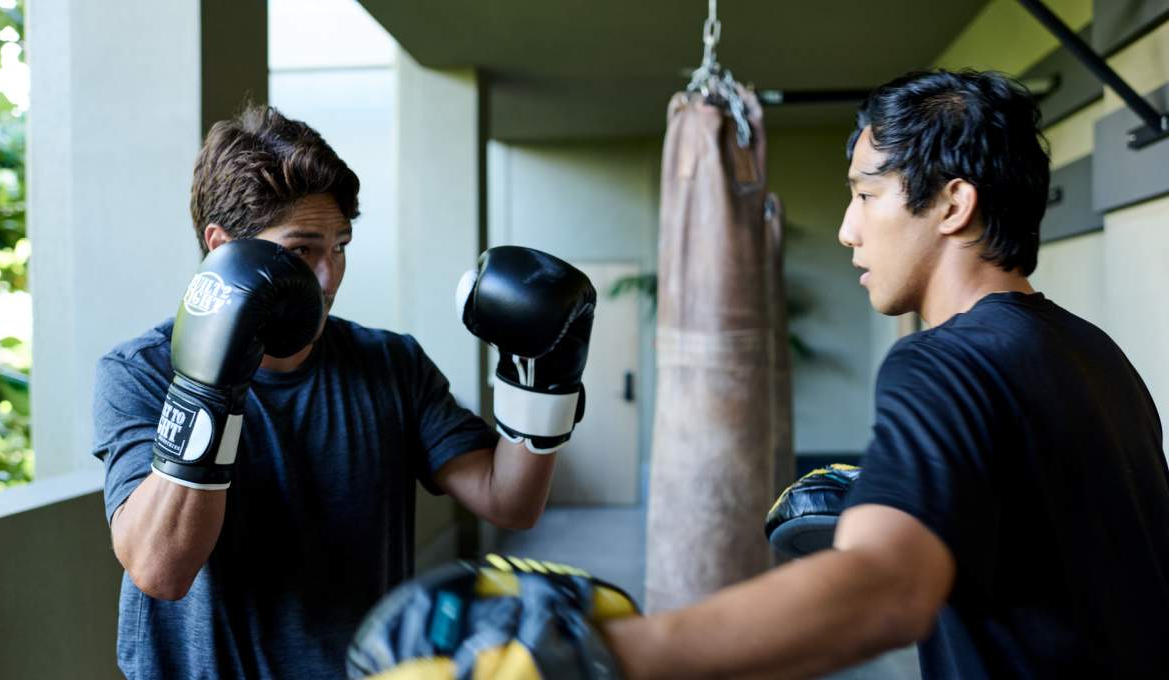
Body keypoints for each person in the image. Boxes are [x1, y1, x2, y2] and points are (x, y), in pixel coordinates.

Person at [601, 70, 1169, 678]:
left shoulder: (942, 361)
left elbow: (891, 590)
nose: (849, 230)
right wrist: (921, 495)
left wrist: (608, 654)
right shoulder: (1097, 354)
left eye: (867, 196)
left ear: (953, 203)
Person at [92, 105, 597, 679]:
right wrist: (209, 385)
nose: (329, 278)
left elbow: (509, 500)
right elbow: (160, 570)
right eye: (303, 249)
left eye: (340, 246)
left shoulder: (389, 363)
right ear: (221, 247)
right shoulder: (141, 371)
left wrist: (545, 381)